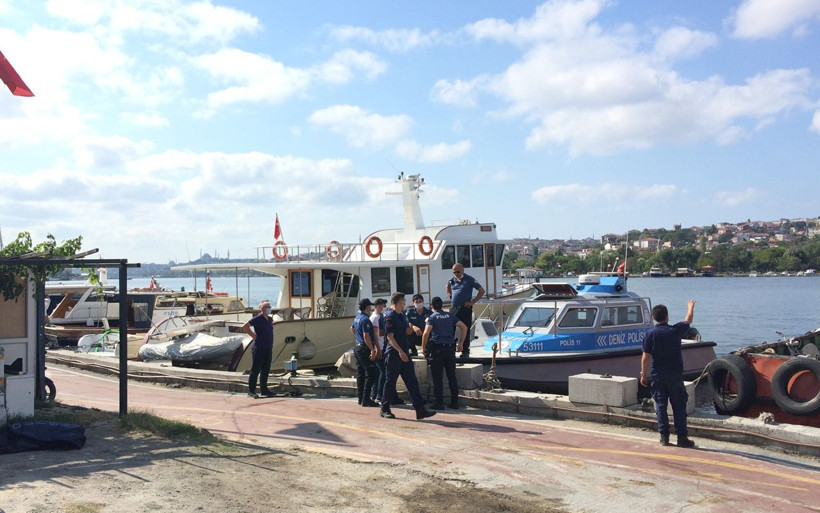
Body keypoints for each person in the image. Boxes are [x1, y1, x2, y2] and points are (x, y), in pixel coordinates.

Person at [641, 300, 697, 448]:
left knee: (660, 406)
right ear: (667, 317)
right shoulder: (675, 330)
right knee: (679, 406)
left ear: (653, 318)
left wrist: (643, 375)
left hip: (657, 375)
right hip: (675, 375)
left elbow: (645, 357)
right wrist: (690, 307)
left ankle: (664, 437)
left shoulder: (649, 334)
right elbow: (688, 320)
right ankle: (682, 438)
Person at [380, 292, 436, 421]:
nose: (405, 304)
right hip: (394, 354)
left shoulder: (402, 316)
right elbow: (389, 337)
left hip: (405, 353)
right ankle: (385, 408)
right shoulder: (389, 316)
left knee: (412, 381)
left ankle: (420, 409)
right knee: (390, 382)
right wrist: (400, 352)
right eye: (404, 302)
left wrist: (412, 328)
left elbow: (407, 328)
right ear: (399, 302)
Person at [421, 296, 467, 410]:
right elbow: (464, 327)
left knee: (437, 377)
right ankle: (454, 402)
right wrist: (461, 342)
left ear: (432, 306)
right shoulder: (450, 316)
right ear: (441, 305)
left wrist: (423, 348)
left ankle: (439, 402)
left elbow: (426, 333)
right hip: (450, 349)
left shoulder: (432, 317)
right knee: (451, 375)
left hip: (438, 349)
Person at [446, 263, 485, 358]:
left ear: (463, 270)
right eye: (454, 272)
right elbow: (447, 286)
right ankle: (450, 350)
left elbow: (481, 291)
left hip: (465, 308)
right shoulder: (452, 280)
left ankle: (465, 351)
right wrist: (450, 296)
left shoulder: (469, 279)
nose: (456, 274)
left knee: (465, 329)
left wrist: (472, 302)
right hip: (454, 308)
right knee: (451, 329)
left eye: (457, 272)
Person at [242, 300, 275, 398]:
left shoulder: (270, 319)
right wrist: (254, 336)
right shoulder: (257, 319)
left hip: (268, 347)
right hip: (258, 348)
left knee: (265, 369)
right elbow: (245, 326)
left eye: (270, 306)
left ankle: (264, 390)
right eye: (267, 307)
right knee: (255, 370)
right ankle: (251, 391)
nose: (269, 308)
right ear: (262, 309)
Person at [350, 298, 379, 407]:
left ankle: (360, 398)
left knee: (360, 373)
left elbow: (352, 328)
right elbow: (366, 336)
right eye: (369, 307)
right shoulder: (366, 320)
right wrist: (372, 349)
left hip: (357, 347)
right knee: (371, 373)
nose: (370, 308)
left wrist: (358, 338)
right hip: (364, 348)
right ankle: (366, 398)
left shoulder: (357, 317)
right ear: (367, 307)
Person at [369, 298, 388, 403]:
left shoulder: (379, 317)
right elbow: (375, 335)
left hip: (381, 346)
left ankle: (375, 393)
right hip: (379, 348)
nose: (383, 308)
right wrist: (377, 349)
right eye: (382, 306)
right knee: (383, 372)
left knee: (378, 373)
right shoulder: (375, 318)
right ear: (377, 306)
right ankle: (379, 395)